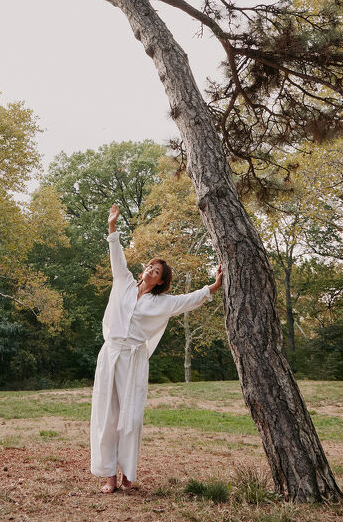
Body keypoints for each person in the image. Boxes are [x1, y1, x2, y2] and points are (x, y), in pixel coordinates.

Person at [90, 202, 223, 493]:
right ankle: (109, 477)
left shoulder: (162, 303)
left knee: (132, 418)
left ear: (162, 280)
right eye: (150, 265)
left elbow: (189, 299)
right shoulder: (123, 282)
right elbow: (116, 256)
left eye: (157, 270)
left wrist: (213, 286)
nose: (151, 269)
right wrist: (112, 226)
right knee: (107, 415)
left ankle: (128, 476)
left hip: (134, 360)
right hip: (110, 354)